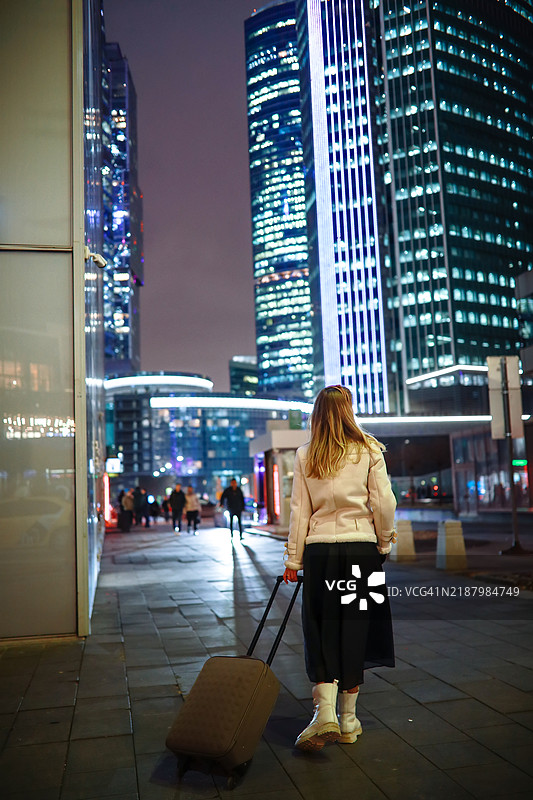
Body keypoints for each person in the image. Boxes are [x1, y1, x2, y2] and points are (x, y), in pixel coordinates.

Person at [283, 385, 396, 752]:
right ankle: (348, 721)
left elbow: (300, 511)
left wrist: (293, 560)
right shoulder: (368, 450)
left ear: (317, 413)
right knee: (355, 632)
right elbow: (384, 502)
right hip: (362, 551)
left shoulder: (306, 455)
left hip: (319, 556)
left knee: (321, 630)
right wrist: (384, 543)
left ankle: (324, 713)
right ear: (349, 411)